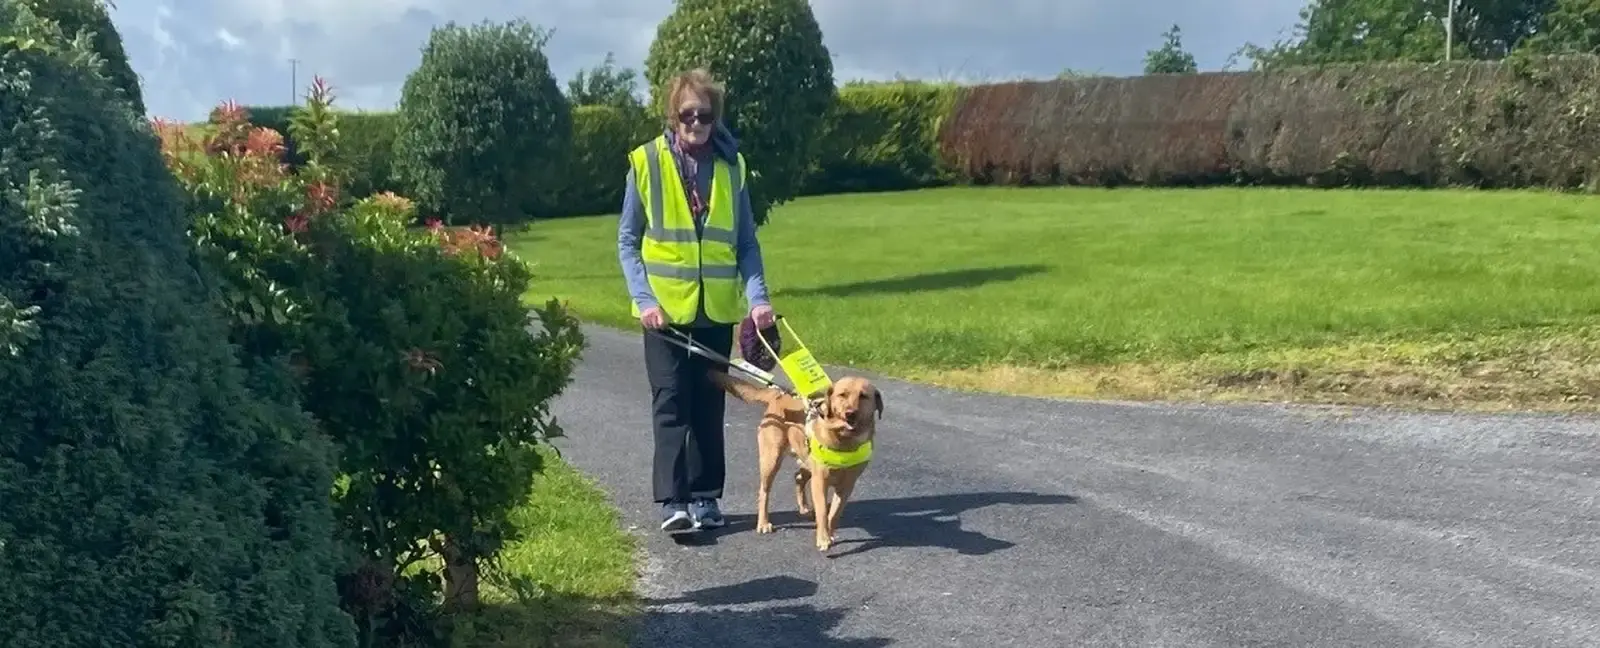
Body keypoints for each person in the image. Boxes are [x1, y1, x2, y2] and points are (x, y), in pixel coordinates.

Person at [617, 68, 774, 533]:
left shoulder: (732, 166)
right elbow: (627, 240)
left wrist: (758, 298)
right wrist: (644, 299)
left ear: (714, 117)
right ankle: (674, 502)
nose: (696, 123)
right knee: (670, 400)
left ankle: (706, 496)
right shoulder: (645, 162)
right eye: (687, 115)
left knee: (708, 404)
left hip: (715, 309)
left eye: (704, 115)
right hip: (662, 313)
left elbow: (746, 241)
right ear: (673, 115)